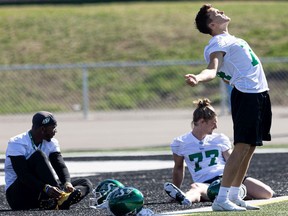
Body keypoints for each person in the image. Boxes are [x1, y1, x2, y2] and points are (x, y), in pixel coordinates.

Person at [184, 4, 272, 211]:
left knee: (249, 147)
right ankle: (221, 199)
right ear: (212, 24)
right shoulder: (217, 42)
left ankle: (234, 194)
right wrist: (198, 78)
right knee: (241, 145)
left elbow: (226, 75)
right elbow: (212, 70)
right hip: (247, 96)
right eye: (217, 13)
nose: (222, 12)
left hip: (259, 94)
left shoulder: (230, 39)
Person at [164, 99, 274, 209]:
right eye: (213, 123)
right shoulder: (180, 142)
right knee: (196, 188)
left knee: (266, 193)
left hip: (228, 177)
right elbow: (178, 168)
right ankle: (184, 198)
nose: (215, 126)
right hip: (206, 183)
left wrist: (238, 180)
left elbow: (232, 161)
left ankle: (223, 196)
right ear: (202, 121)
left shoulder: (219, 138)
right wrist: (176, 187)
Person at [4, 111, 93, 210]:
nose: (56, 131)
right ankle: (60, 198)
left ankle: (56, 201)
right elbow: (23, 175)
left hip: (42, 191)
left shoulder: (52, 142)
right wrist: (46, 188)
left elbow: (60, 165)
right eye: (53, 127)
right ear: (43, 129)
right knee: (38, 155)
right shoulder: (17, 142)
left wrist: (67, 183)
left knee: (85, 182)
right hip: (18, 196)